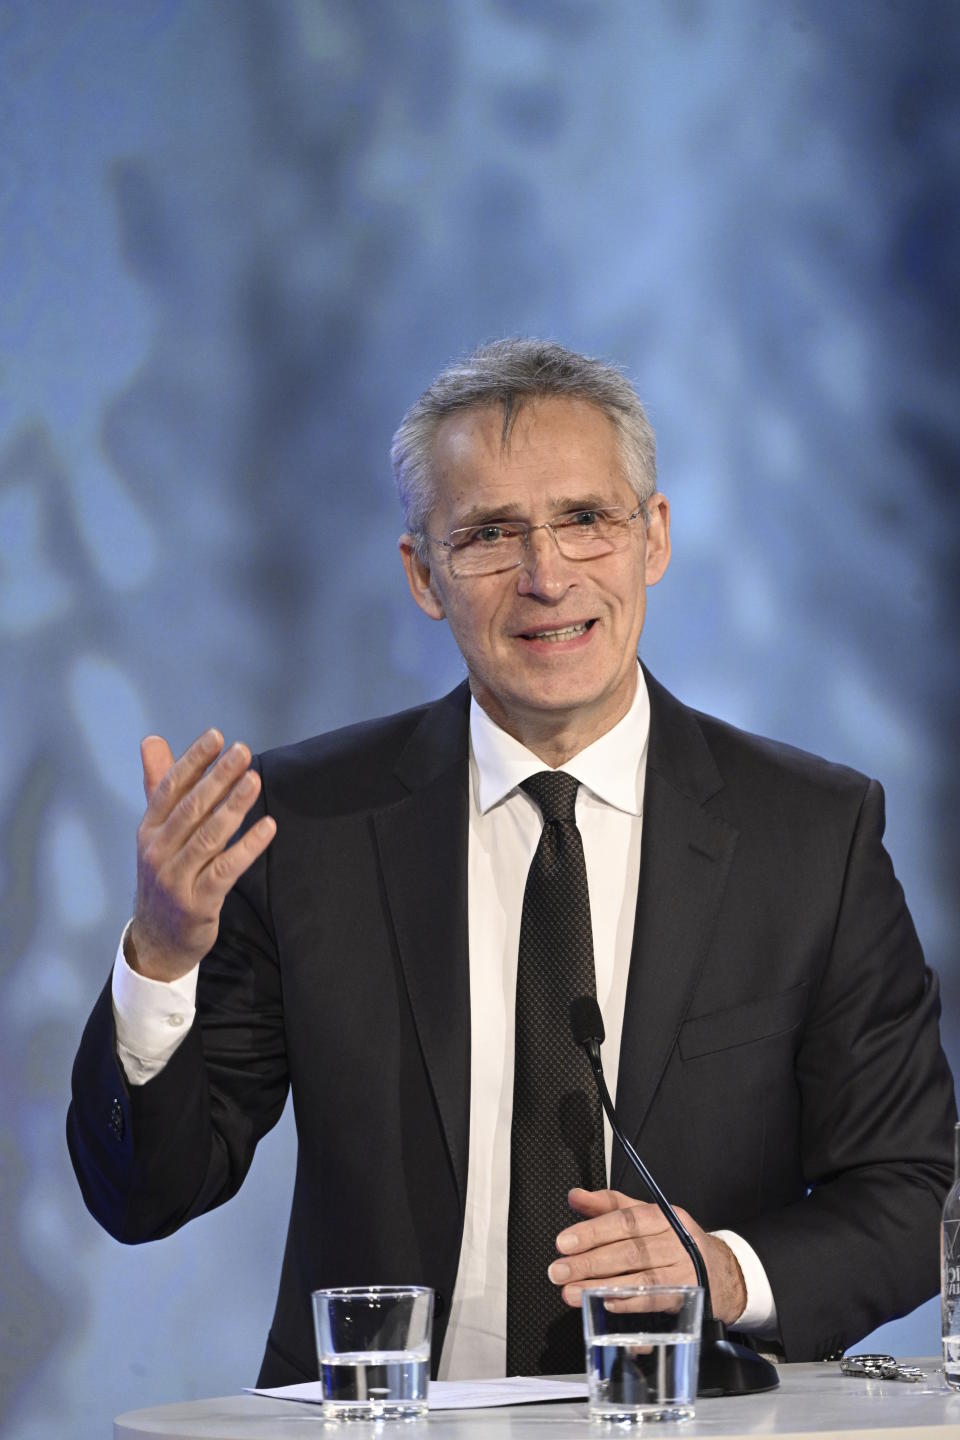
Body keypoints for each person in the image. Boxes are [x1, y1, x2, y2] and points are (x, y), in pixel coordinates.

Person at [68, 339, 956, 1385]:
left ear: (653, 538)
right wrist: (162, 960)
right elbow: (147, 1194)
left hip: (690, 1417)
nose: (546, 576)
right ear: (423, 575)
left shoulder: (810, 832)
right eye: (489, 535)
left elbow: (907, 1187)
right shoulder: (304, 827)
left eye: (586, 518)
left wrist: (722, 1269)